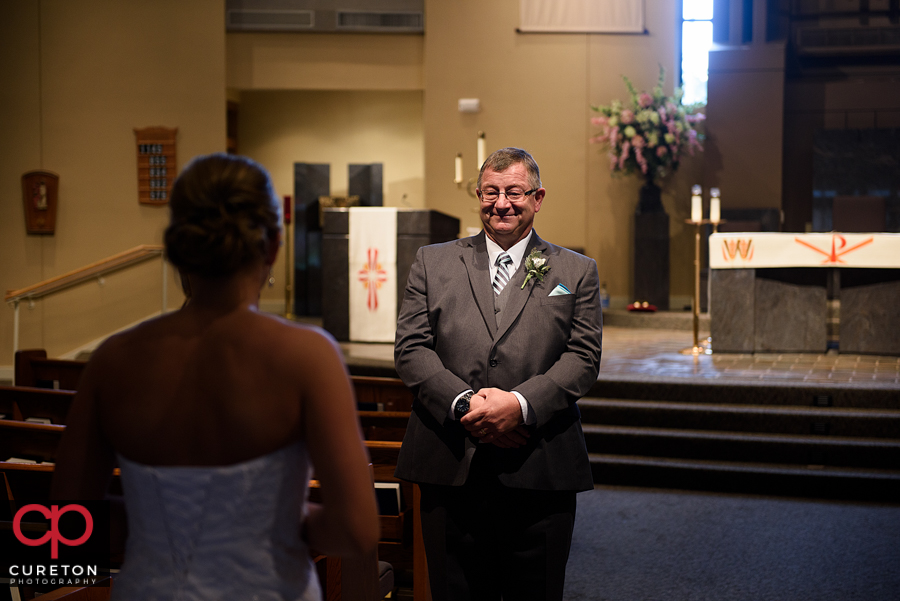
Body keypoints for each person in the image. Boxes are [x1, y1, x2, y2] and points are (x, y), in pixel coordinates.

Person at [51, 153, 380, 601]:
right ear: (272, 248)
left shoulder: (113, 361)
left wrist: (155, 529)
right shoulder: (307, 358)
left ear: (179, 248)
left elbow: (65, 525)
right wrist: (275, 520)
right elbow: (356, 532)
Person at [394, 147, 602, 601]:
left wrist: (519, 407)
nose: (501, 203)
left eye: (514, 192)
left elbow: (583, 358)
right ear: (478, 193)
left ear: (538, 197)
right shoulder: (433, 262)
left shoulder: (576, 271)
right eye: (491, 192)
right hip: (450, 461)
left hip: (539, 462)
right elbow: (411, 348)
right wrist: (468, 406)